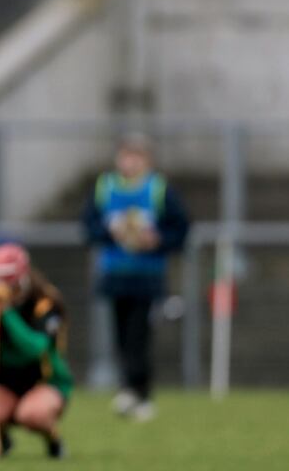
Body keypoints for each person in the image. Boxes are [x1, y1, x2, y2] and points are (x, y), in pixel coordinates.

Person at [82, 133, 189, 421]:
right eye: (126, 155)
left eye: (137, 156)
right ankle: (131, 391)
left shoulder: (159, 189)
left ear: (147, 160)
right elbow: (89, 227)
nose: (130, 162)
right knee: (120, 336)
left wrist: (157, 240)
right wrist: (110, 233)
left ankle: (138, 392)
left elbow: (181, 229)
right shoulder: (104, 188)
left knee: (138, 336)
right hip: (115, 274)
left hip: (148, 276)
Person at [0, 243, 73, 459]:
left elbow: (35, 349)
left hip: (46, 382)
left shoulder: (47, 302)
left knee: (31, 414)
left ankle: (53, 440)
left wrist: (7, 313)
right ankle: (2, 440)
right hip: (6, 384)